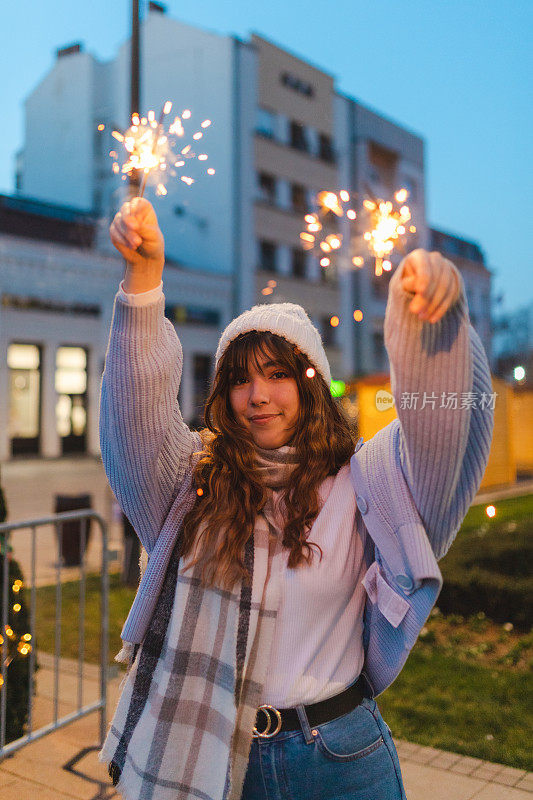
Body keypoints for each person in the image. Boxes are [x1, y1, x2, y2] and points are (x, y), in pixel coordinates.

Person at [97, 197, 494, 800]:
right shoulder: (192, 484)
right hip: (217, 759)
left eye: (278, 374)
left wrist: (429, 328)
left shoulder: (368, 482)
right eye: (239, 378)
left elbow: (443, 440)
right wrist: (144, 283)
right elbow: (132, 424)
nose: (258, 395)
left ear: (311, 384)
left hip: (344, 757)